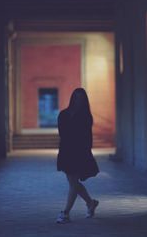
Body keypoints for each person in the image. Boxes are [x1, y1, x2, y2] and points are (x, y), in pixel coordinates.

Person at [56, 88, 100, 224]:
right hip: (66, 151)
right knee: (73, 182)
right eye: (76, 98)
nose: (78, 101)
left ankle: (65, 213)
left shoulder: (86, 116)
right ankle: (91, 203)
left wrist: (87, 153)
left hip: (79, 152)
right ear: (72, 98)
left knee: (73, 182)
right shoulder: (63, 114)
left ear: (84, 101)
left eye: (81, 99)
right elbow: (61, 134)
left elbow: (87, 137)